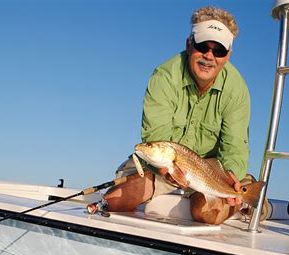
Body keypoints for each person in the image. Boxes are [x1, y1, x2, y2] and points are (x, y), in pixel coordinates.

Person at [100, 6, 259, 225]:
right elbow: (156, 137)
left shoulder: (237, 90)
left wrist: (229, 176)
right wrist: (167, 171)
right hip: (164, 167)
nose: (209, 56)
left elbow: (235, 147)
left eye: (219, 51)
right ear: (189, 43)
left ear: (228, 55)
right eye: (202, 46)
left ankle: (251, 199)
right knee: (114, 201)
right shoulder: (164, 77)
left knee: (209, 214)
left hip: (210, 173)